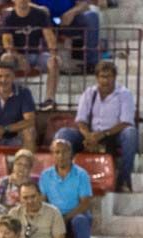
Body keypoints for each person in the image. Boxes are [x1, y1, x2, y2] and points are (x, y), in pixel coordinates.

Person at [57, 60, 138, 191]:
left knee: (130, 133)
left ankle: (123, 179)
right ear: (97, 78)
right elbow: (81, 120)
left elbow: (126, 122)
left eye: (109, 77)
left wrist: (103, 134)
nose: (105, 81)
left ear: (115, 77)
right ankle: (63, 176)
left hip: (113, 134)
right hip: (91, 134)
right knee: (63, 134)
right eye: (102, 77)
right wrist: (89, 136)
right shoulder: (90, 93)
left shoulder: (124, 94)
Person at [39, 138, 93, 238]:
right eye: (57, 152)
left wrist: (66, 217)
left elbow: (85, 203)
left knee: (80, 220)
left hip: (75, 214)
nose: (61, 156)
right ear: (52, 154)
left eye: (64, 152)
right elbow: (42, 202)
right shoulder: (46, 175)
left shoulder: (81, 174)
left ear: (71, 153)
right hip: (54, 216)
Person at [0, 0, 60, 110]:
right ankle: (5, 97)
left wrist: (53, 54)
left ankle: (49, 99)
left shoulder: (40, 14)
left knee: (54, 61)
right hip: (17, 55)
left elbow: (50, 38)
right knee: (6, 58)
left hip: (36, 54)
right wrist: (20, 58)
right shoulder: (8, 17)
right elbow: (7, 43)